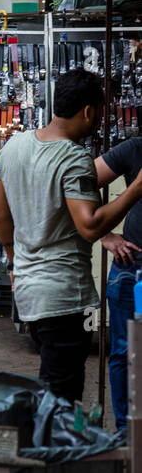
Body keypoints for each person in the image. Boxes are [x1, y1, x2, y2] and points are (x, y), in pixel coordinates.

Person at [0, 69, 142, 405]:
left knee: (54, 385)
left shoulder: (13, 146)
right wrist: (135, 190)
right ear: (88, 111)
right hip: (63, 295)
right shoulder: (73, 157)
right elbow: (89, 226)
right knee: (61, 396)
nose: (100, 122)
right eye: (100, 113)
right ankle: (53, 454)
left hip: (31, 291)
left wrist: (15, 262)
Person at [91, 135, 142, 433]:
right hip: (132, 265)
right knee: (124, 352)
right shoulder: (135, 148)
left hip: (129, 268)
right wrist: (104, 234)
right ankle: (127, 435)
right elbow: (81, 180)